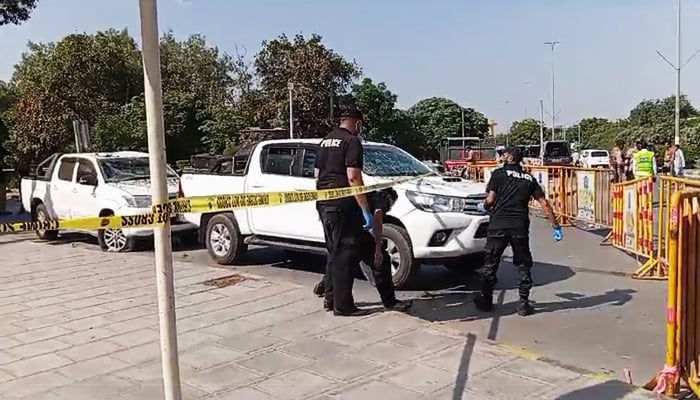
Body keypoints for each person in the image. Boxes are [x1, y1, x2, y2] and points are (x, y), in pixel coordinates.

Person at [474, 146, 562, 316]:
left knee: (491, 264)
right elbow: (544, 203)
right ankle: (523, 304)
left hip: (498, 224)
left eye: (505, 153)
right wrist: (556, 226)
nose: (502, 155)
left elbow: (490, 200)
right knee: (523, 265)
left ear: (509, 157)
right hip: (519, 226)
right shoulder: (529, 179)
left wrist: (483, 207)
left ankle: (486, 301)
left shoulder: (498, 174)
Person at [313, 108, 373, 316]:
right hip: (342, 204)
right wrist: (365, 209)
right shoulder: (352, 142)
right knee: (345, 256)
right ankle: (343, 306)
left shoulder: (325, 141)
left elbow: (317, 174)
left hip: (324, 203)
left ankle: (330, 299)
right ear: (357, 123)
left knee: (334, 252)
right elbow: (353, 177)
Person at [314, 189, 410, 312]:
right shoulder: (381, 201)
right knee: (380, 262)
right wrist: (377, 248)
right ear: (390, 199)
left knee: (337, 260)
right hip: (355, 232)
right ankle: (389, 301)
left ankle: (329, 297)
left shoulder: (365, 195)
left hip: (340, 223)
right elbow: (377, 223)